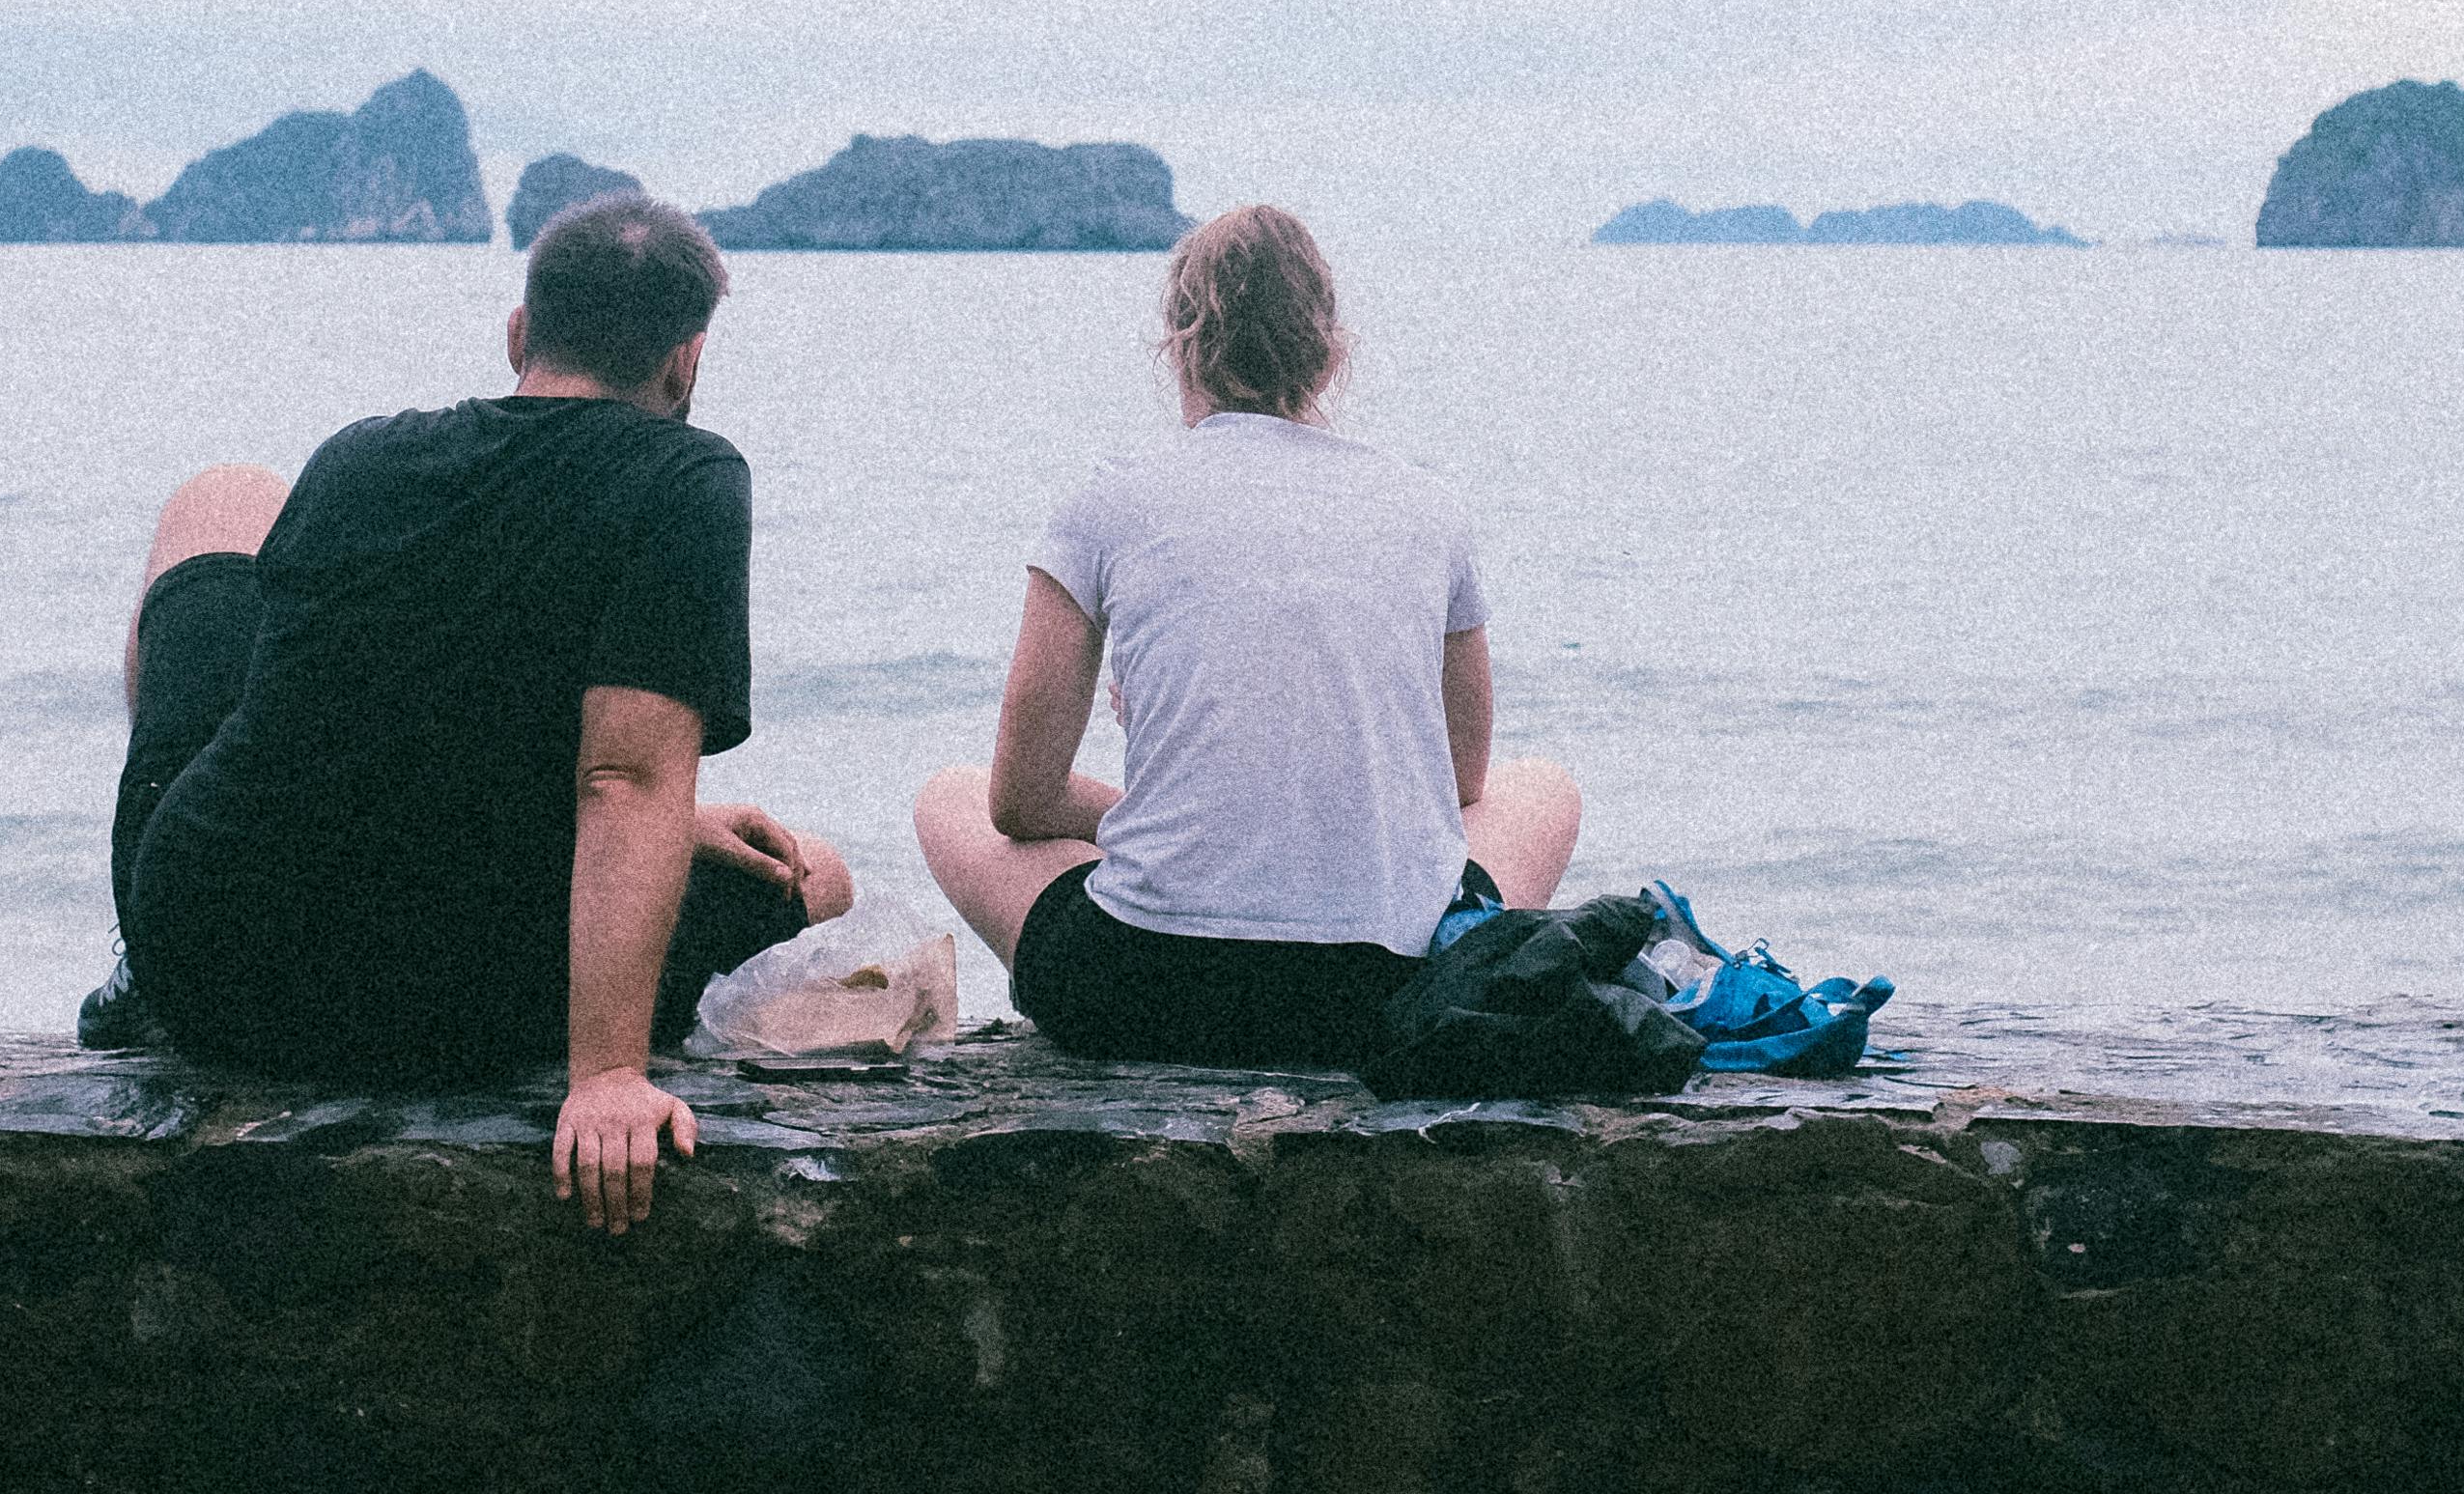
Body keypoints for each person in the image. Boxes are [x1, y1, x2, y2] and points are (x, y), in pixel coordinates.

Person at [89, 191, 853, 1232]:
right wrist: (607, 1075)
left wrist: (679, 826)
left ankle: (127, 977)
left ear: (516, 335)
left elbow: (332, 724)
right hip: (455, 1003)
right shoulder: (686, 476)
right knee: (817, 874)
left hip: (209, 961)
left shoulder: (358, 455)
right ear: (687, 361)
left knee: (220, 496)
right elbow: (623, 776)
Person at [913, 204, 1582, 1070]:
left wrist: (1171, 808)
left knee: (949, 797)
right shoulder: (1430, 509)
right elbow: (1457, 783)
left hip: (1145, 991)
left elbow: (1017, 802)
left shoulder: (1106, 502)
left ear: (1180, 343)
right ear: (1330, 347)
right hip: (1386, 999)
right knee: (1545, 788)